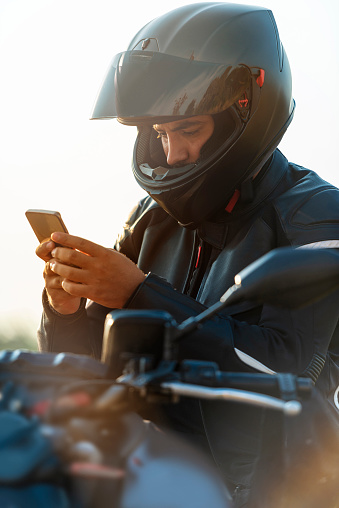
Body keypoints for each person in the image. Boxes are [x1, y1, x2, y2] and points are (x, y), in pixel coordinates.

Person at [36, 3, 339, 506]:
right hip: (152, 484)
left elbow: (287, 374)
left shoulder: (318, 216)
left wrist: (136, 292)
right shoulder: (149, 220)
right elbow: (85, 381)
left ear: (246, 108)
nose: (173, 155)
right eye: (161, 134)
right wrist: (66, 310)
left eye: (189, 130)